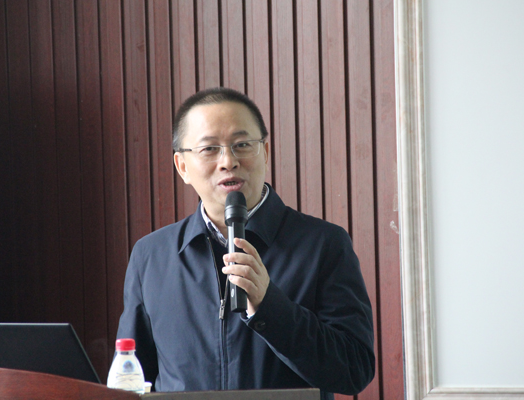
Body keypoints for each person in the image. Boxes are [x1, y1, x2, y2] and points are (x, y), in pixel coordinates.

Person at [117, 87, 375, 400]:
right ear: (182, 166)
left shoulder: (323, 244)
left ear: (265, 152)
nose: (228, 161)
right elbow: (129, 379)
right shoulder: (151, 255)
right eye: (209, 149)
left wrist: (270, 306)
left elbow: (354, 370)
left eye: (242, 145)